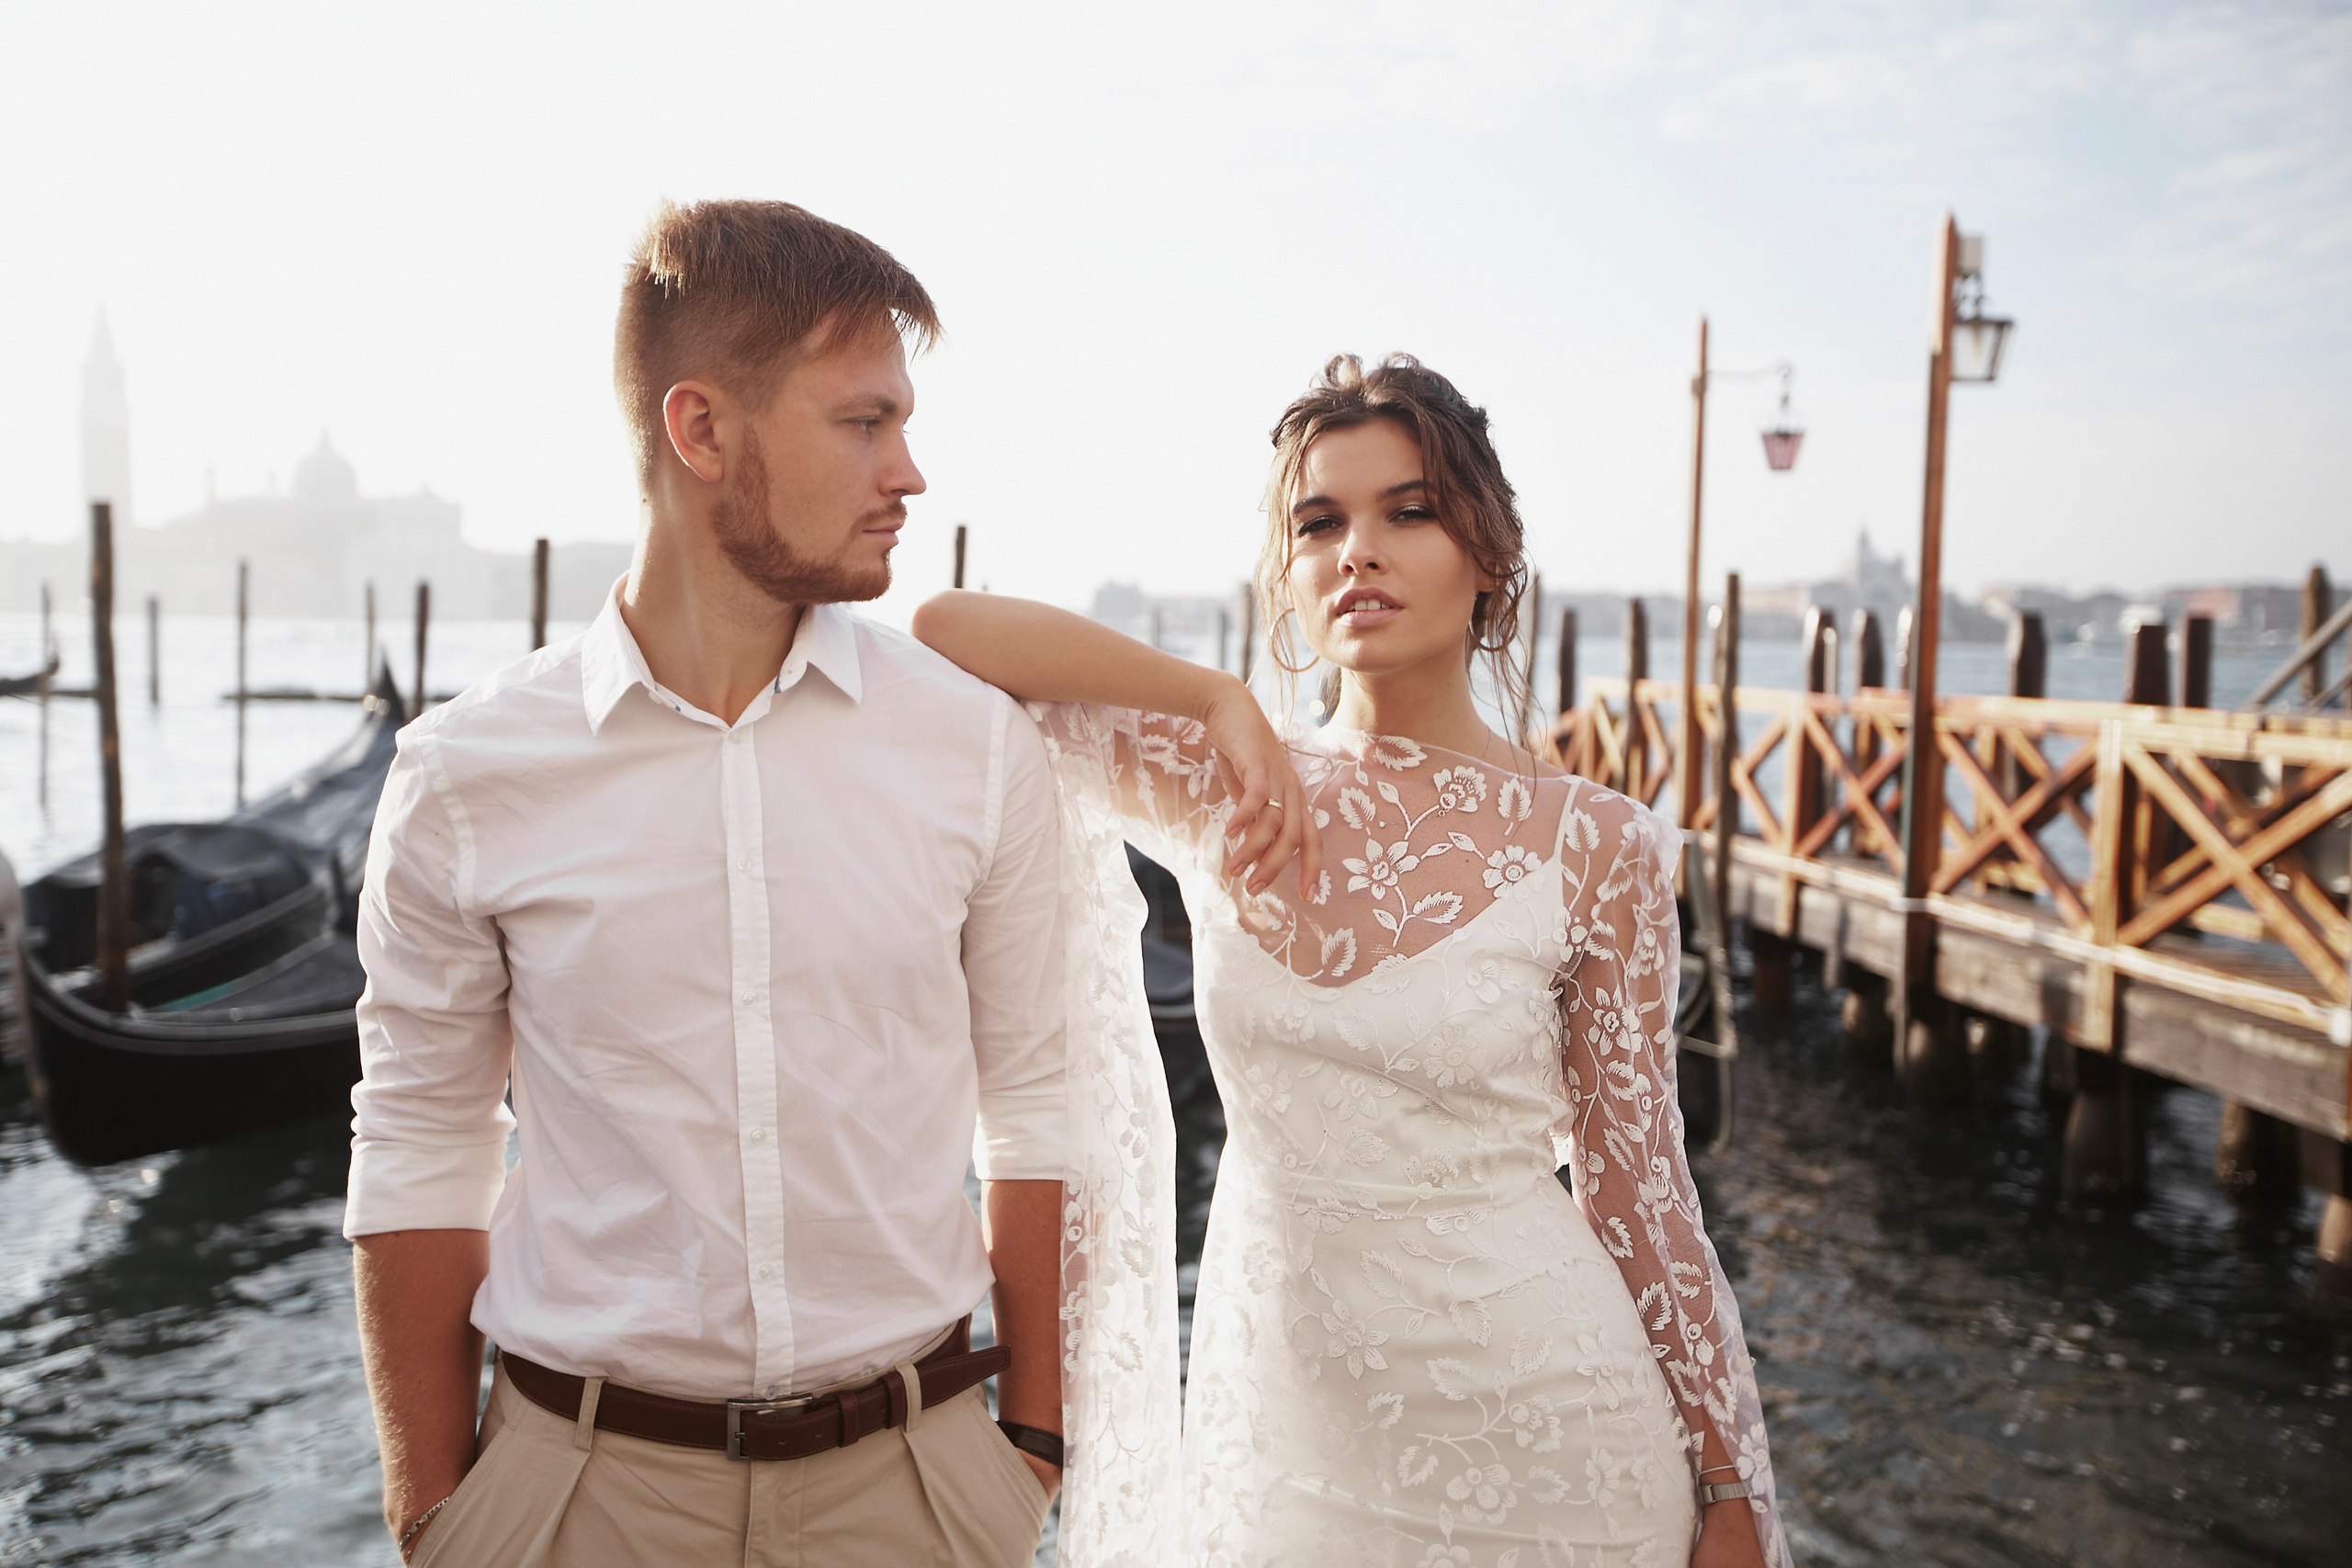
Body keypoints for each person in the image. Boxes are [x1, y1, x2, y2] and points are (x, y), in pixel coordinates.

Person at [912, 354, 1790, 1567]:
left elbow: (1640, 1191)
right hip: (1284, 1446)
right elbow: (947, 631)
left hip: (1560, 1437)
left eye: (1408, 512)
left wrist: (1726, 1481)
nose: (1358, 551)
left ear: (1490, 556)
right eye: (1320, 524)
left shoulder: (1601, 847)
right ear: (1290, 575)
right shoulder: (1226, 783)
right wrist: (1212, 696)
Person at [344, 200, 1081, 1568]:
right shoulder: (463, 776)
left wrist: (1028, 1455)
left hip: (914, 1496)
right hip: (579, 1503)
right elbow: (418, 1144)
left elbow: (1037, 1111)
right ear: (701, 432)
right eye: (863, 422)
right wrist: (435, 1515)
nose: (908, 471)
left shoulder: (974, 748)